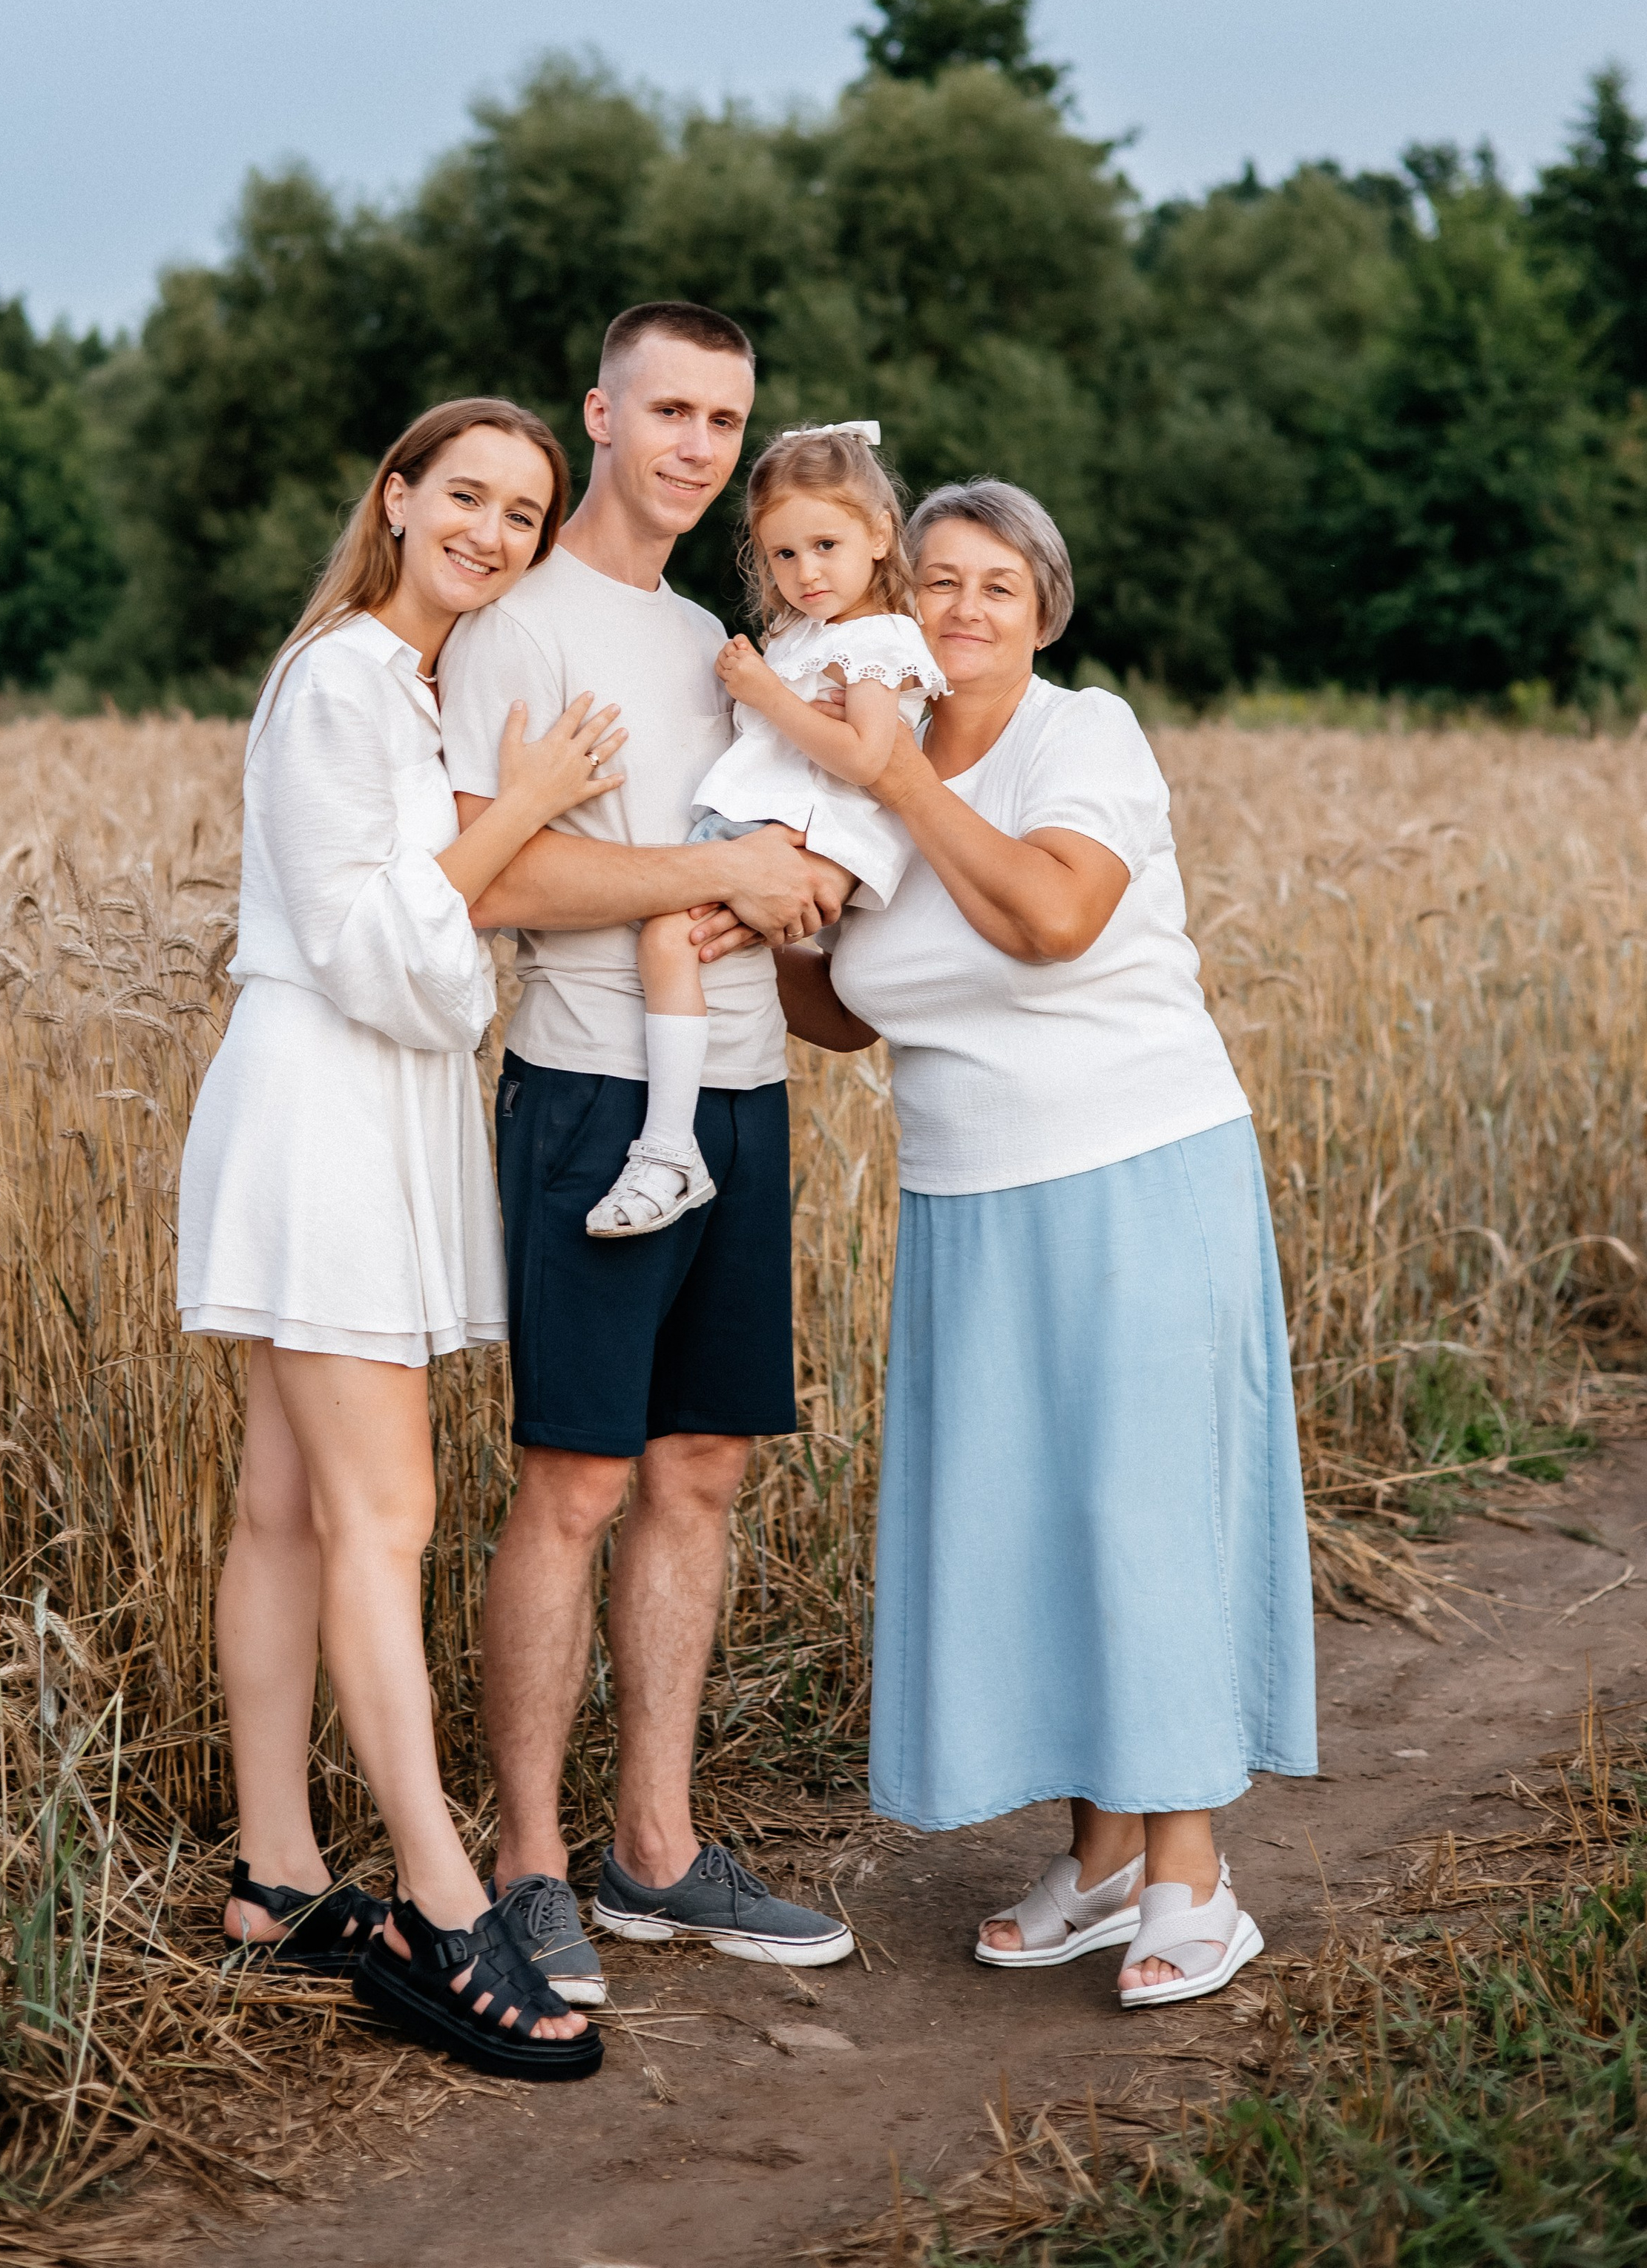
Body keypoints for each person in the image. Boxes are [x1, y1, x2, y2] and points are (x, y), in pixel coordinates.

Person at [778, 476, 1317, 2011]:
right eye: (933, 580)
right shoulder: (862, 754)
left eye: (993, 588)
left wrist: (893, 785)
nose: (958, 608)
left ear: (1042, 612)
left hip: (1135, 1169)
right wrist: (747, 917)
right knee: (1031, 1522)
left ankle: (1193, 1883)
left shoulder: (1082, 735)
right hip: (967, 1194)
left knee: (1139, 1510)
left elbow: (1047, 919)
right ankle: (1095, 1863)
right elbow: (841, 1010)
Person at [177, 396, 621, 2084]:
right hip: (325, 1110)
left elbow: (418, 926)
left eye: (522, 511)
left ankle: (278, 1877)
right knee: (385, 1510)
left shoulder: (401, 685)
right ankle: (440, 1904)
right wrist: (528, 806)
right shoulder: (346, 676)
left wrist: (494, 819)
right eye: (469, 495)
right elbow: (380, 942)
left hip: (358, 1108)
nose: (494, 531)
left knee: (287, 1505)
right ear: (397, 495)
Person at [438, 300, 861, 2008]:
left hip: (741, 1091)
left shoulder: (718, 636)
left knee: (699, 1469)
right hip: (595, 1091)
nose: (695, 443)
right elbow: (485, 883)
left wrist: (798, 892)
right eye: (667, 409)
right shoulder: (517, 628)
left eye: (723, 417)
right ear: (598, 414)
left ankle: (657, 1852)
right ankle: (529, 1866)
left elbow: (792, 851)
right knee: (575, 1480)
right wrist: (717, 889)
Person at [585, 416, 947, 1240]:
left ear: (882, 535)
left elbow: (864, 758)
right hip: (774, 828)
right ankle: (672, 1143)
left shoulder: (878, 640)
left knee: (665, 940)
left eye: (825, 546)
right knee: (676, 940)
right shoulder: (809, 634)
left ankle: (668, 1148)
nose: (805, 571)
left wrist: (766, 695)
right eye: (783, 554)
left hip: (804, 834)